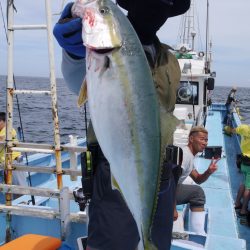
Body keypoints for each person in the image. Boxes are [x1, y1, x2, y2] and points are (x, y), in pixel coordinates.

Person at [53, 1, 190, 249]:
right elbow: (77, 81)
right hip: (114, 170)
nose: (156, 8)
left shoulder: (170, 60)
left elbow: (165, 117)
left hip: (162, 177)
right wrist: (74, 52)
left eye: (165, 3)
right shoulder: (103, 49)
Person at [174, 126, 220, 234]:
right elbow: (170, 181)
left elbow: (198, 179)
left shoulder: (189, 155)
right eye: (202, 139)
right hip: (165, 192)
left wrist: (208, 171)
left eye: (206, 140)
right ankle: (199, 233)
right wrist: (173, 209)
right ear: (191, 139)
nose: (205, 143)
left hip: (171, 189)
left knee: (194, 186)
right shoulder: (185, 156)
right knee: (197, 193)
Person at [224, 124, 250, 218]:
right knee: (249, 188)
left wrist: (227, 129)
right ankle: (243, 210)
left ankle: (237, 203)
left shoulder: (244, 128)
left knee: (243, 183)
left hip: (244, 162)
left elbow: (231, 130)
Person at [0, 112, 28, 186]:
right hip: (6, 163)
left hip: (13, 162)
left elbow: (1, 140)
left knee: (19, 188)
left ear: (4, 121)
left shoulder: (7, 130)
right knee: (9, 188)